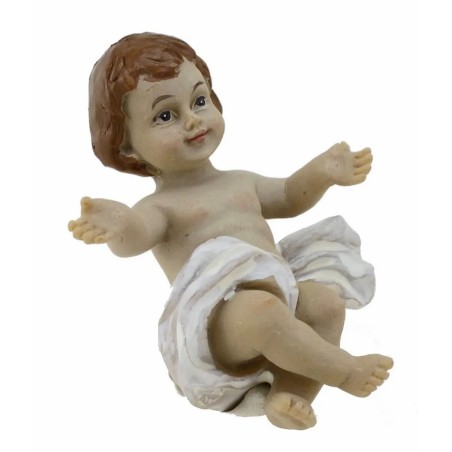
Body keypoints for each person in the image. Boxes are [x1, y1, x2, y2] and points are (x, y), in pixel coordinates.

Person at [69, 32, 393, 430]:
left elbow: (288, 196)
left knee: (325, 304)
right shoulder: (160, 207)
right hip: (218, 325)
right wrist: (120, 224)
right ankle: (345, 371)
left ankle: (289, 394)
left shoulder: (241, 181)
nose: (192, 119)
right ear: (127, 148)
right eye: (165, 116)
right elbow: (134, 238)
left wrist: (321, 173)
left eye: (199, 100)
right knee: (260, 313)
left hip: (280, 295)